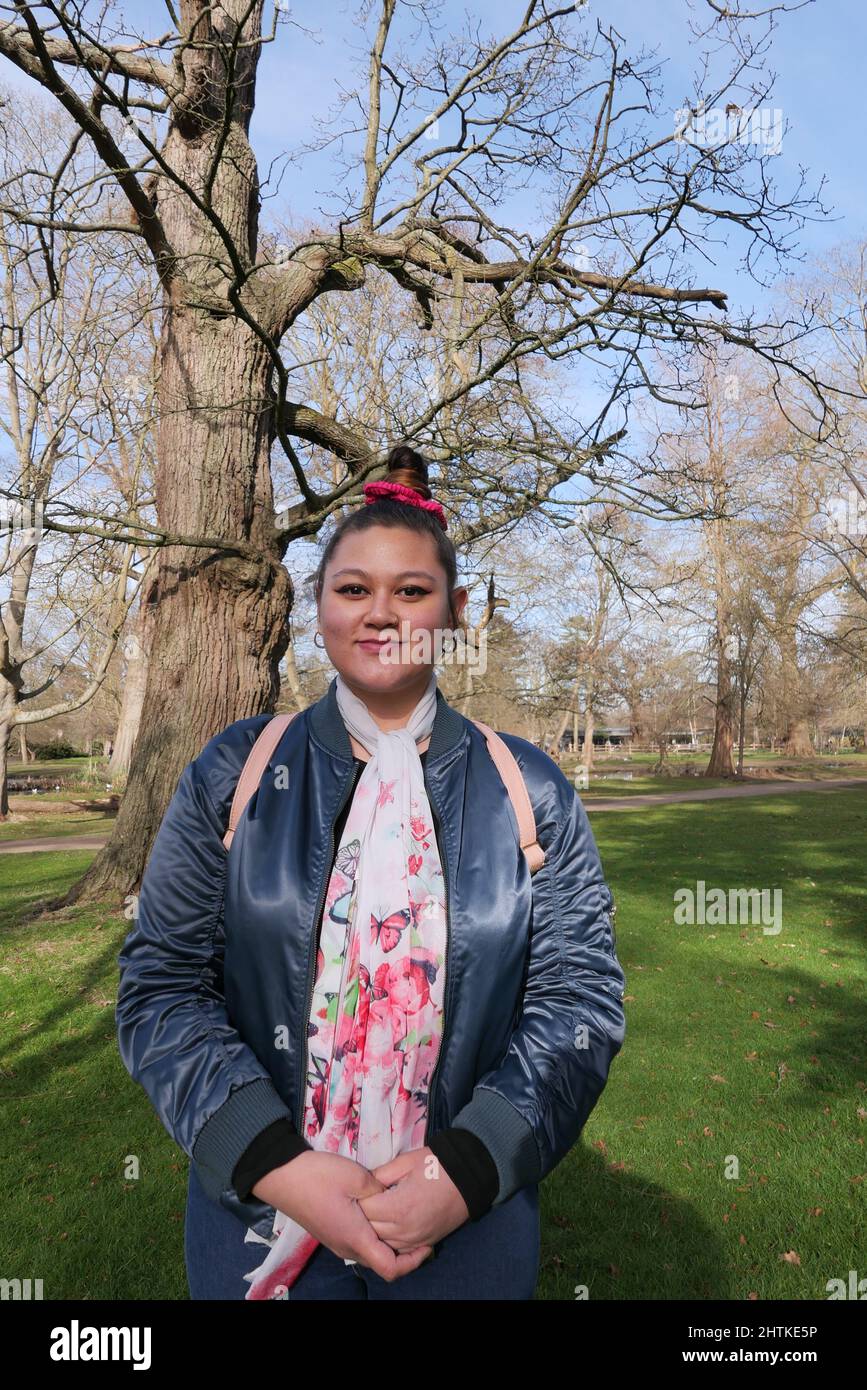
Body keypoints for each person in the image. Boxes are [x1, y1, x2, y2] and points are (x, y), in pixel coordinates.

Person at [115, 443, 627, 1301]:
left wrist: (465, 1168)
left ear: (456, 610)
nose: (381, 614)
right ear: (320, 609)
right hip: (262, 1208)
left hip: (464, 1222)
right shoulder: (233, 772)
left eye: (412, 591)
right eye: (353, 589)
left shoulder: (527, 788)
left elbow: (578, 1001)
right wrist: (275, 1163)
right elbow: (161, 987)